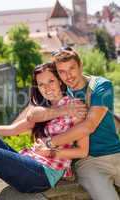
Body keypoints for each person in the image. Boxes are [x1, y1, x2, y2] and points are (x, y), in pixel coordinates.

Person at [27, 48, 120, 200]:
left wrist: (49, 143)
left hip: (116, 153)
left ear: (80, 66)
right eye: (62, 72)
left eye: (72, 68)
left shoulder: (100, 86)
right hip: (88, 162)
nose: (68, 76)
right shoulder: (60, 93)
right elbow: (31, 115)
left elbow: (89, 126)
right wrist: (61, 110)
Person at [0, 62, 88, 193]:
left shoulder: (75, 107)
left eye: (51, 81)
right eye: (41, 84)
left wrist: (51, 152)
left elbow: (82, 151)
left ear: (60, 82)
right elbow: (13, 129)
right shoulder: (43, 109)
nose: (47, 88)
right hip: (29, 161)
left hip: (44, 173)